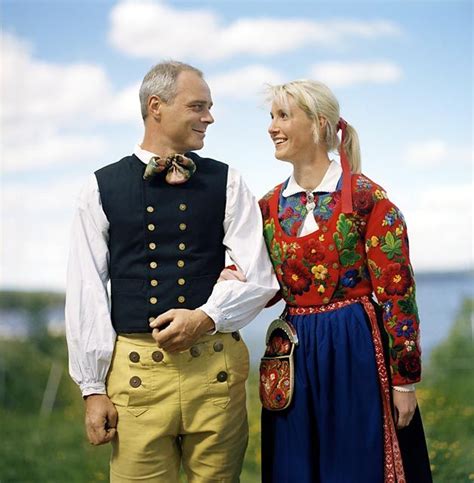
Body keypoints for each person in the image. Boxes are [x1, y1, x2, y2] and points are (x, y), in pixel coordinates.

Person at [65, 61, 278, 483]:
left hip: (215, 372)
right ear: (156, 106)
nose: (210, 117)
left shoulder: (228, 180)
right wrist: (92, 388)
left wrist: (206, 315)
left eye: (210, 107)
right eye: (198, 106)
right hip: (136, 375)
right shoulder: (99, 187)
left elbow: (259, 277)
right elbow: (86, 288)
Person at [257, 80, 432, 482]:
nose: (272, 127)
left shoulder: (369, 198)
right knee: (296, 467)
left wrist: (404, 381)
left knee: (357, 464)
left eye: (284, 115)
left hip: (355, 346)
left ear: (319, 124)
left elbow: (397, 291)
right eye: (272, 116)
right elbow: (256, 282)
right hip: (293, 351)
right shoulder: (267, 206)